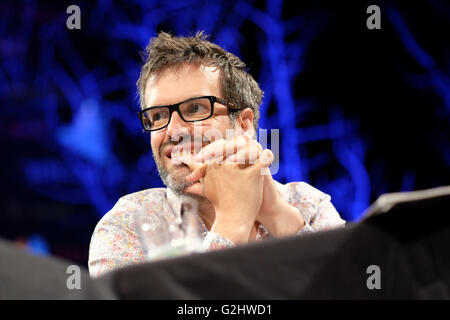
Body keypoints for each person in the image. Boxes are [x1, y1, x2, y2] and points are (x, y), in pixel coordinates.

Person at [88, 31, 346, 278]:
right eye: (158, 116)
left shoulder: (307, 205)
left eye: (196, 108)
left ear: (244, 125)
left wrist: (278, 216)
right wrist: (233, 221)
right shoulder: (128, 226)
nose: (173, 130)